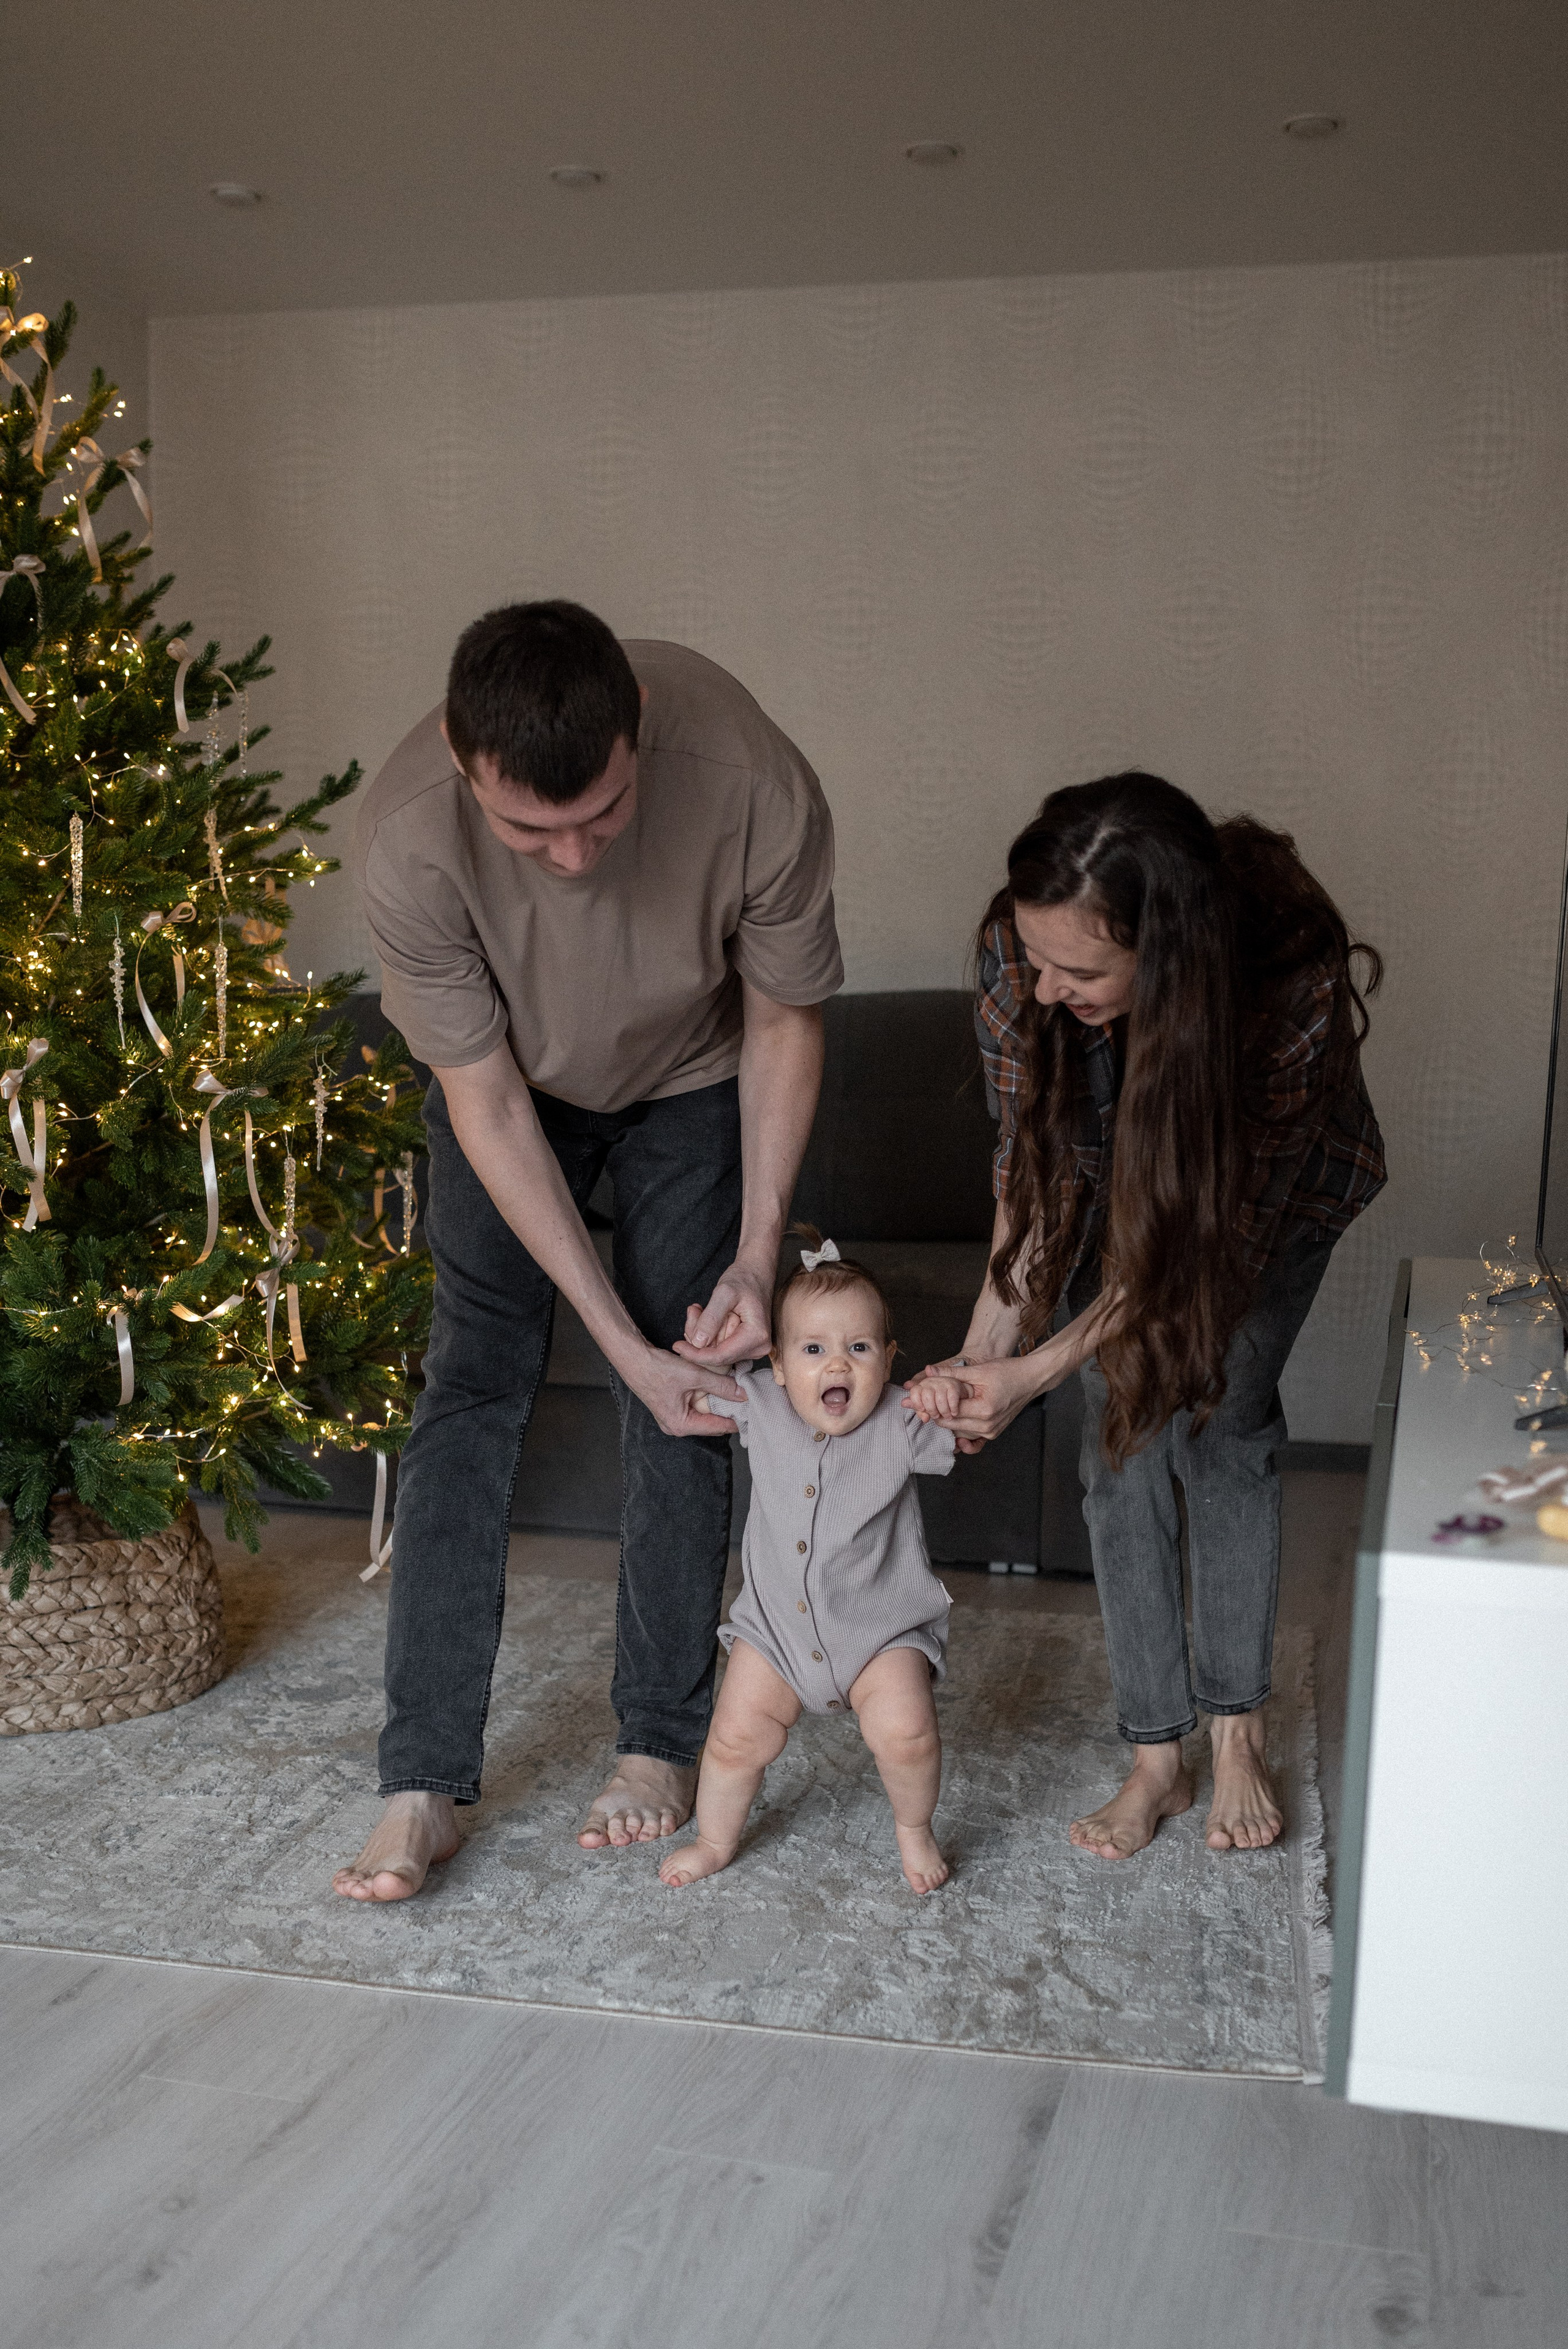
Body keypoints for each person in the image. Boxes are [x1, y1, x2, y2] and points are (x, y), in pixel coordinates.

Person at [333, 601, 842, 1902]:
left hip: (695, 1074)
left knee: (692, 1388)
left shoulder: (751, 779)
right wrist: (611, 1341)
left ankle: (658, 1745)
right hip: (511, 1092)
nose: (569, 857)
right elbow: (487, 1102)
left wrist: (754, 1258)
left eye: (602, 816)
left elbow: (784, 1023)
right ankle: (423, 1780)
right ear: (463, 760)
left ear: (639, 734)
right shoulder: (404, 844)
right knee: (473, 1386)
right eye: (527, 830)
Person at [905, 773, 1385, 1860]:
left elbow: (1192, 1252)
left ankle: (1235, 1734)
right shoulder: (1018, 961)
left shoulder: (1286, 993)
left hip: (1264, 1214)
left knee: (1221, 1428)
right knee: (1119, 1446)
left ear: (1168, 958)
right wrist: (986, 1355)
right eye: (1036, 958)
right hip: (1111, 1196)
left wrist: (1031, 1374)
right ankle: (1157, 1756)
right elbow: (1027, 1187)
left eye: (1081, 969)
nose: (1044, 986)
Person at [660, 1233, 956, 1896]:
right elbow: (693, 1393)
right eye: (814, 1349)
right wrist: (706, 1357)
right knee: (735, 1740)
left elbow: (970, 1424)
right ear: (780, 1363)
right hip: (774, 1635)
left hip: (880, 1632)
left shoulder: (904, 1420)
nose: (838, 1366)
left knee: (906, 1733)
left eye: (859, 1348)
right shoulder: (759, 1401)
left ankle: (913, 1828)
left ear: (888, 1359)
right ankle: (714, 1840)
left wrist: (946, 1397)